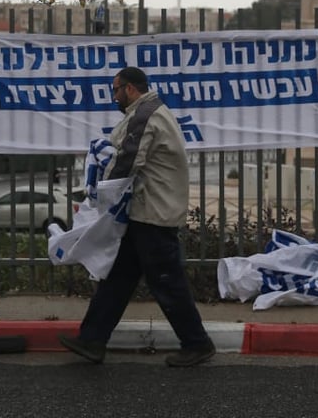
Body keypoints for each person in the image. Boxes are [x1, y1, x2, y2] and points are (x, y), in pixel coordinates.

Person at [58, 66, 215, 367]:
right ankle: (92, 340)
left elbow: (126, 161)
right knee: (118, 278)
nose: (113, 96)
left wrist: (100, 198)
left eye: (115, 90)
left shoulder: (146, 114)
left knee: (167, 281)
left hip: (154, 214)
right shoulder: (145, 112)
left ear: (129, 89)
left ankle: (197, 343)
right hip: (144, 212)